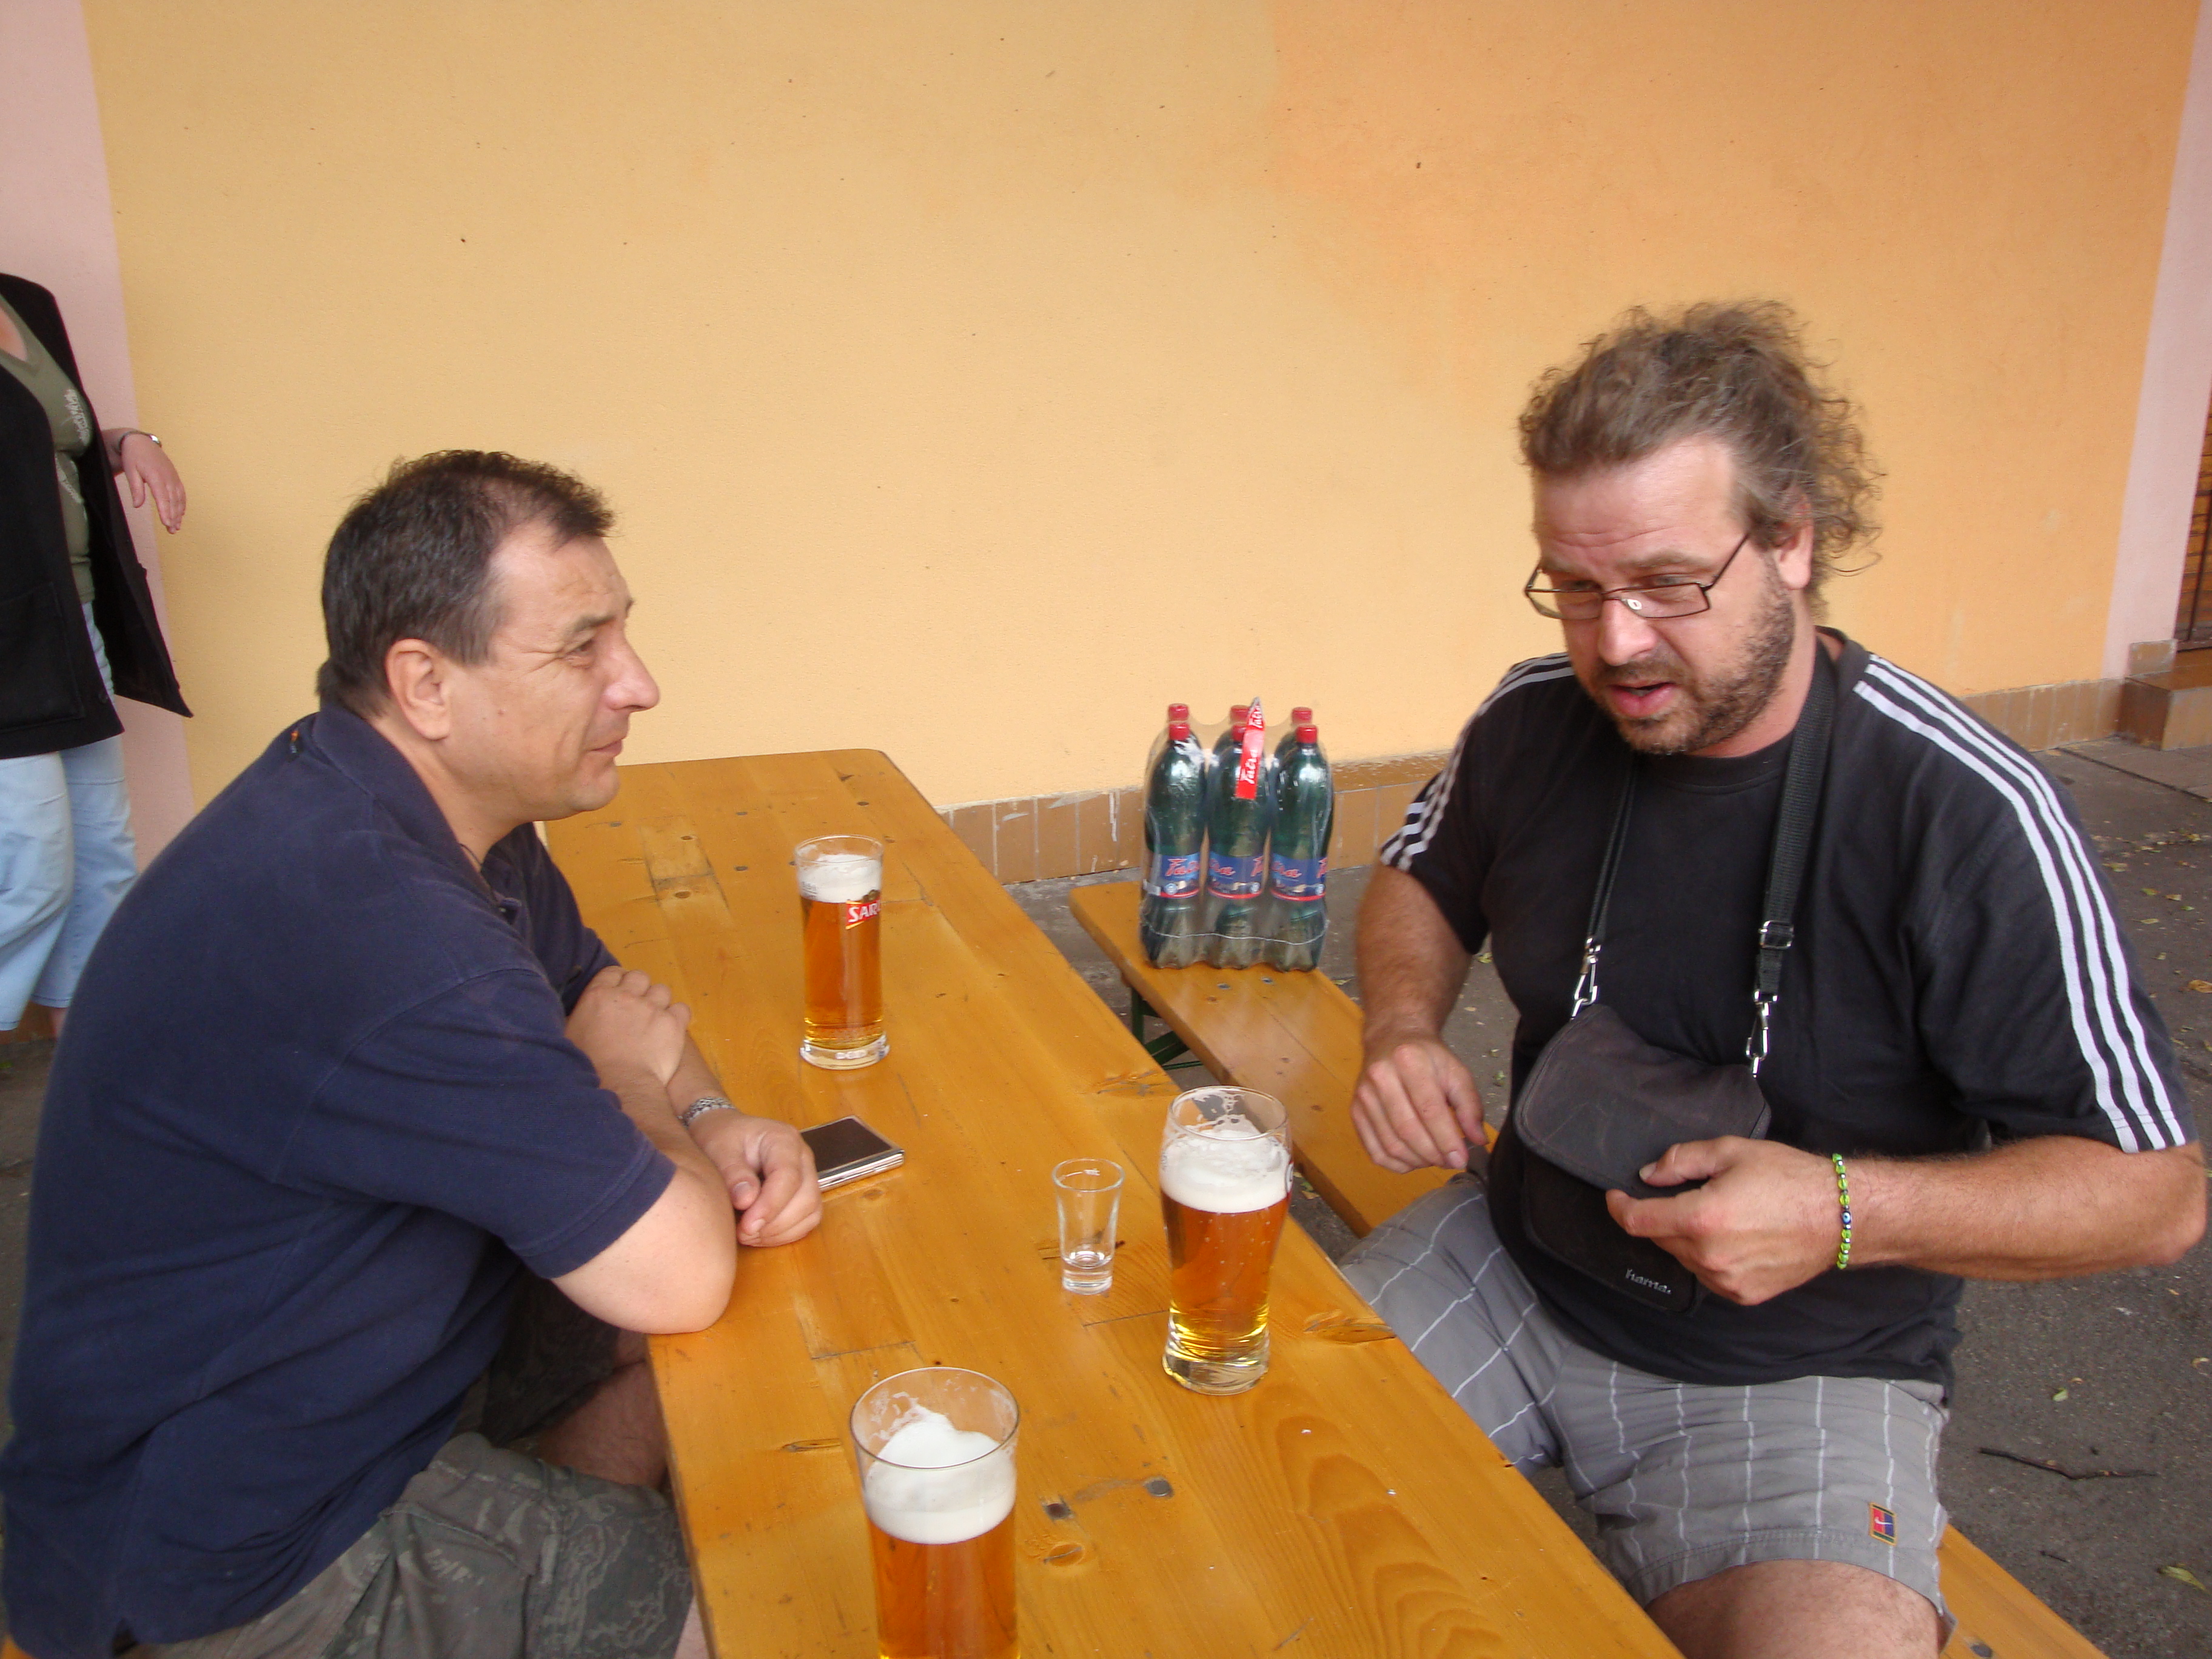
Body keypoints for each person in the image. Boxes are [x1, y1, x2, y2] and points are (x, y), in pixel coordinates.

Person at [1343, 303, 2204, 1659]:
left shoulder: (1965, 811)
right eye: (1575, 586)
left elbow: (2155, 1194)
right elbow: (1418, 874)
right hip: (1510, 1262)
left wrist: (1841, 1210)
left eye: (1667, 583)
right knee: (1222, 1477)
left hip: (1798, 1369)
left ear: (1792, 541)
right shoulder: (1533, 716)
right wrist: (1401, 1028)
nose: (1615, 643)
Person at [0, 452, 821, 1659]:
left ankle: (551, 1536)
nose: (637, 683)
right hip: (238, 1554)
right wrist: (627, 1083)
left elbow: (602, 996)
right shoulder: (378, 925)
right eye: (581, 648)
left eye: (622, 632)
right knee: (777, 1598)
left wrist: (709, 1120)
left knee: (715, 1360)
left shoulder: (416, 803)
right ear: (426, 683)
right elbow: (674, 1268)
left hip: (351, 1375)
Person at [1, 271, 190, 1039]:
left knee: (102, 852)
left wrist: (129, 443)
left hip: (75, 619)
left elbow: (49, 439)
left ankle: (91, 1051)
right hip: (8, 637)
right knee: (35, 865)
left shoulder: (28, 305)